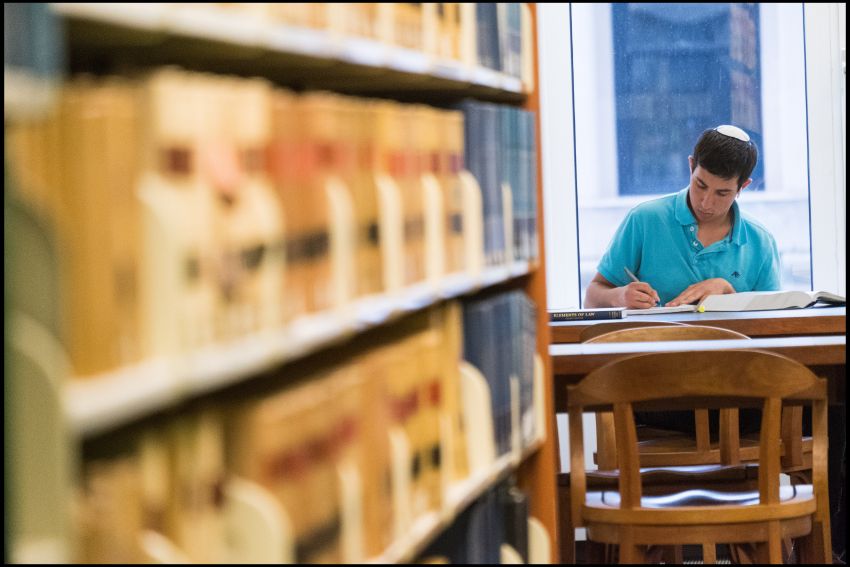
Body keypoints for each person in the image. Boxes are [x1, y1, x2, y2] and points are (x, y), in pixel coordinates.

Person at [584, 124, 780, 310]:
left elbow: (773, 321)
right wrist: (619, 296)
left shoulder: (761, 242)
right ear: (691, 166)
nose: (706, 203)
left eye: (722, 193)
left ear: (743, 186)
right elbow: (591, 299)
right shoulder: (644, 220)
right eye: (700, 185)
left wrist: (729, 293)